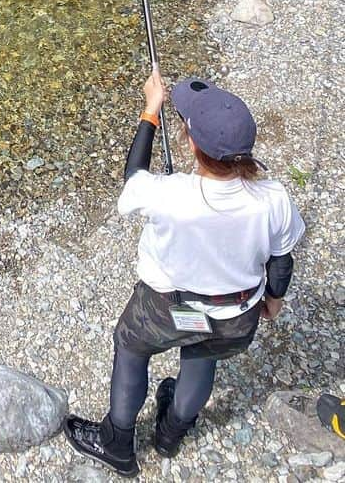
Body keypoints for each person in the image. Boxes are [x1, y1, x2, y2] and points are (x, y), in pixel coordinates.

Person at [64, 69, 306, 476]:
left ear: (192, 143)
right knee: (201, 358)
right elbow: (281, 260)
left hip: (172, 311)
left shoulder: (168, 193)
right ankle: (171, 434)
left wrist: (151, 110)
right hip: (236, 317)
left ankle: (117, 442)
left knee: (131, 347)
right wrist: (274, 300)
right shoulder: (274, 198)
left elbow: (132, 181)